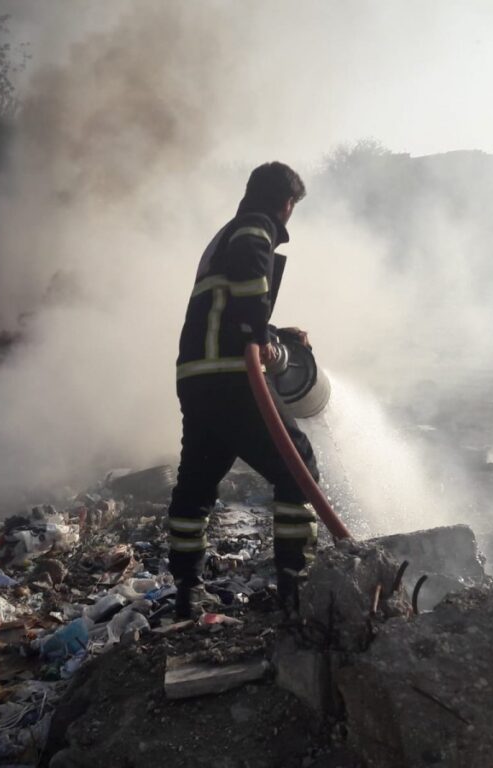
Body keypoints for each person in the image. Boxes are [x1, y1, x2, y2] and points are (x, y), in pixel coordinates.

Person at [167, 161, 320, 619]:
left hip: (197, 378)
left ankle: (187, 593)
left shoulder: (225, 235)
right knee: (298, 468)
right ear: (286, 203)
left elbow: (229, 302)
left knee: (195, 485)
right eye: (292, 206)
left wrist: (272, 332)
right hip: (231, 376)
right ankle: (297, 589)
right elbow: (251, 285)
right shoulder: (255, 227)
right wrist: (261, 335)